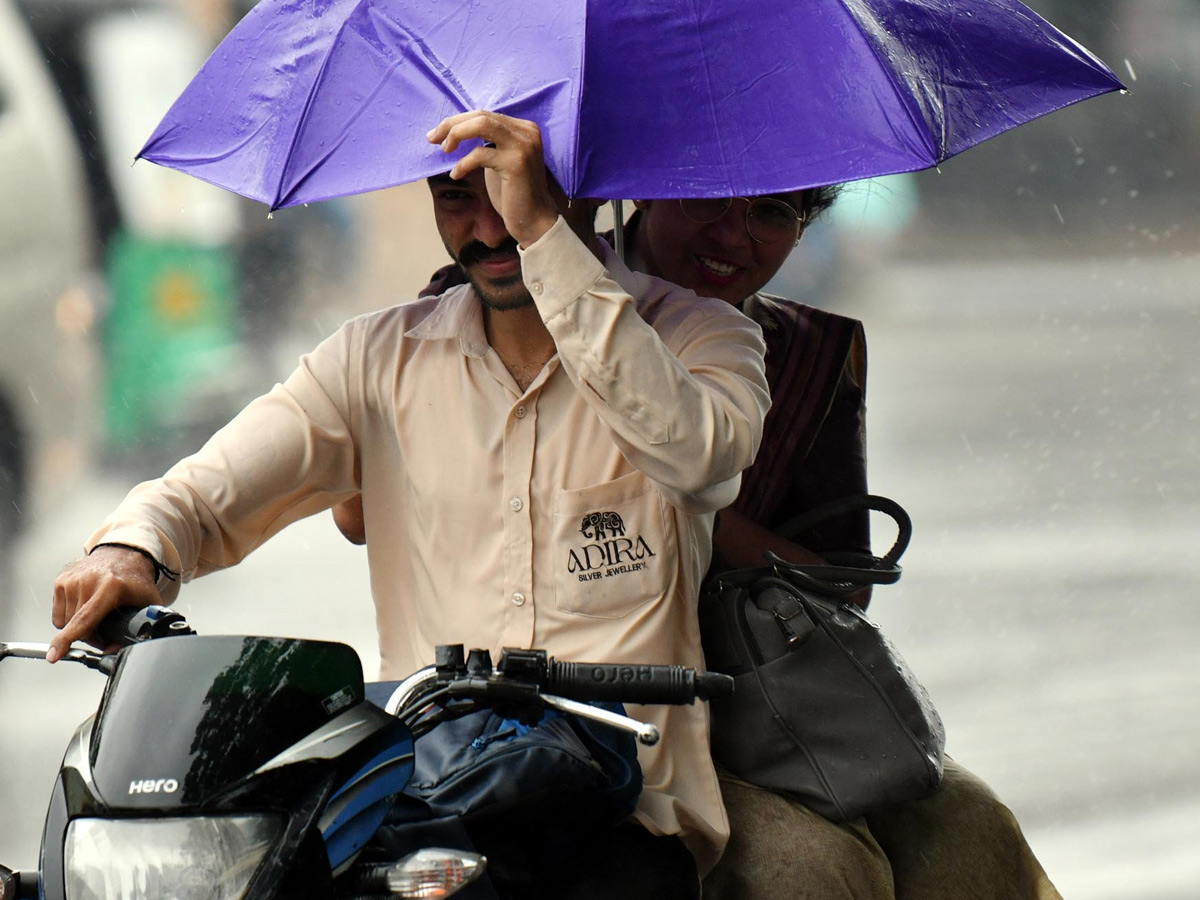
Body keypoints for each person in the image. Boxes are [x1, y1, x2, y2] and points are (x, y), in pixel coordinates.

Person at [48, 110, 772, 899]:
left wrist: (545, 239)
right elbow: (207, 491)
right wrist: (134, 548)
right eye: (456, 196)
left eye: (515, 191)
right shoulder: (374, 360)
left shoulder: (703, 338)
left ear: (587, 193)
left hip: (625, 812)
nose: (489, 226)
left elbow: (700, 463)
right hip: (431, 797)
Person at [335, 186, 1062, 899]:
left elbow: (843, 584)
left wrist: (691, 508)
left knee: (972, 829)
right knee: (811, 872)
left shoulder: (809, 352)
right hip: (571, 722)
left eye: (774, 212)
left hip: (761, 702)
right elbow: (358, 510)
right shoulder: (513, 284)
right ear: (642, 190)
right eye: (709, 198)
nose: (733, 236)